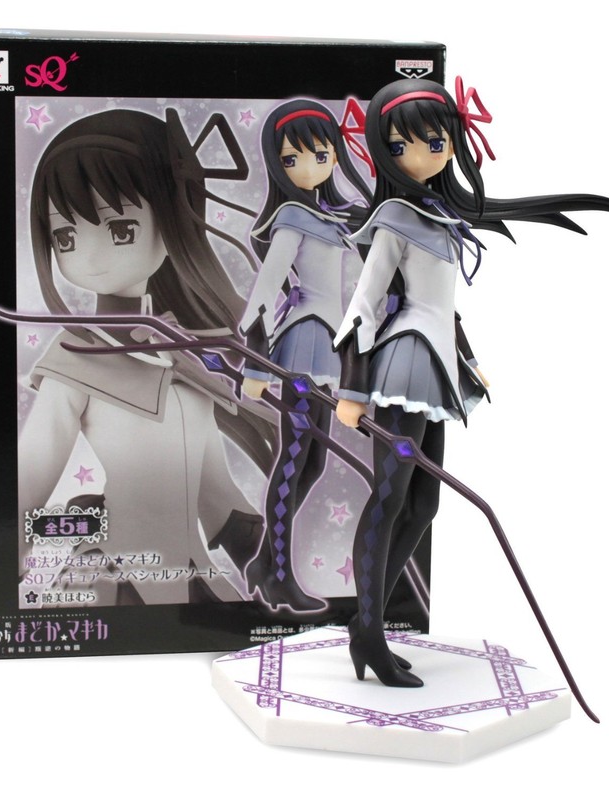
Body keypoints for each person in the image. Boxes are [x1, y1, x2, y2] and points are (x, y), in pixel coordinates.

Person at [334, 78, 609, 686]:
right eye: (401, 146)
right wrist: (351, 387)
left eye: (434, 142)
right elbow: (365, 303)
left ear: (453, 143)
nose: (420, 155)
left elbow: (442, 305)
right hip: (403, 363)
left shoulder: (440, 216)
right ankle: (369, 631)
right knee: (390, 498)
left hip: (436, 363)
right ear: (383, 153)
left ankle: (364, 625)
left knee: (423, 504)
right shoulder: (395, 217)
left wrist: (468, 356)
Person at [19, 108, 275, 605]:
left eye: (121, 229)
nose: (90, 258)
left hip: (194, 577)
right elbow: (31, 476)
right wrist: (2, 556)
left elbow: (215, 494)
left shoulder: (186, 353)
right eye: (65, 237)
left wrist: (269, 550)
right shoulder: (74, 359)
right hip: (115, 579)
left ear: (176, 219)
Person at [239, 99, 372, 612]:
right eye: (292, 159)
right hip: (304, 344)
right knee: (295, 459)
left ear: (335, 154)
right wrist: (255, 363)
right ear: (278, 166)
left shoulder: (331, 216)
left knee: (312, 463)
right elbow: (265, 287)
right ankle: (277, 574)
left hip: (328, 342)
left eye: (321, 154)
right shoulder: (293, 216)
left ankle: (264, 563)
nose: (310, 167)